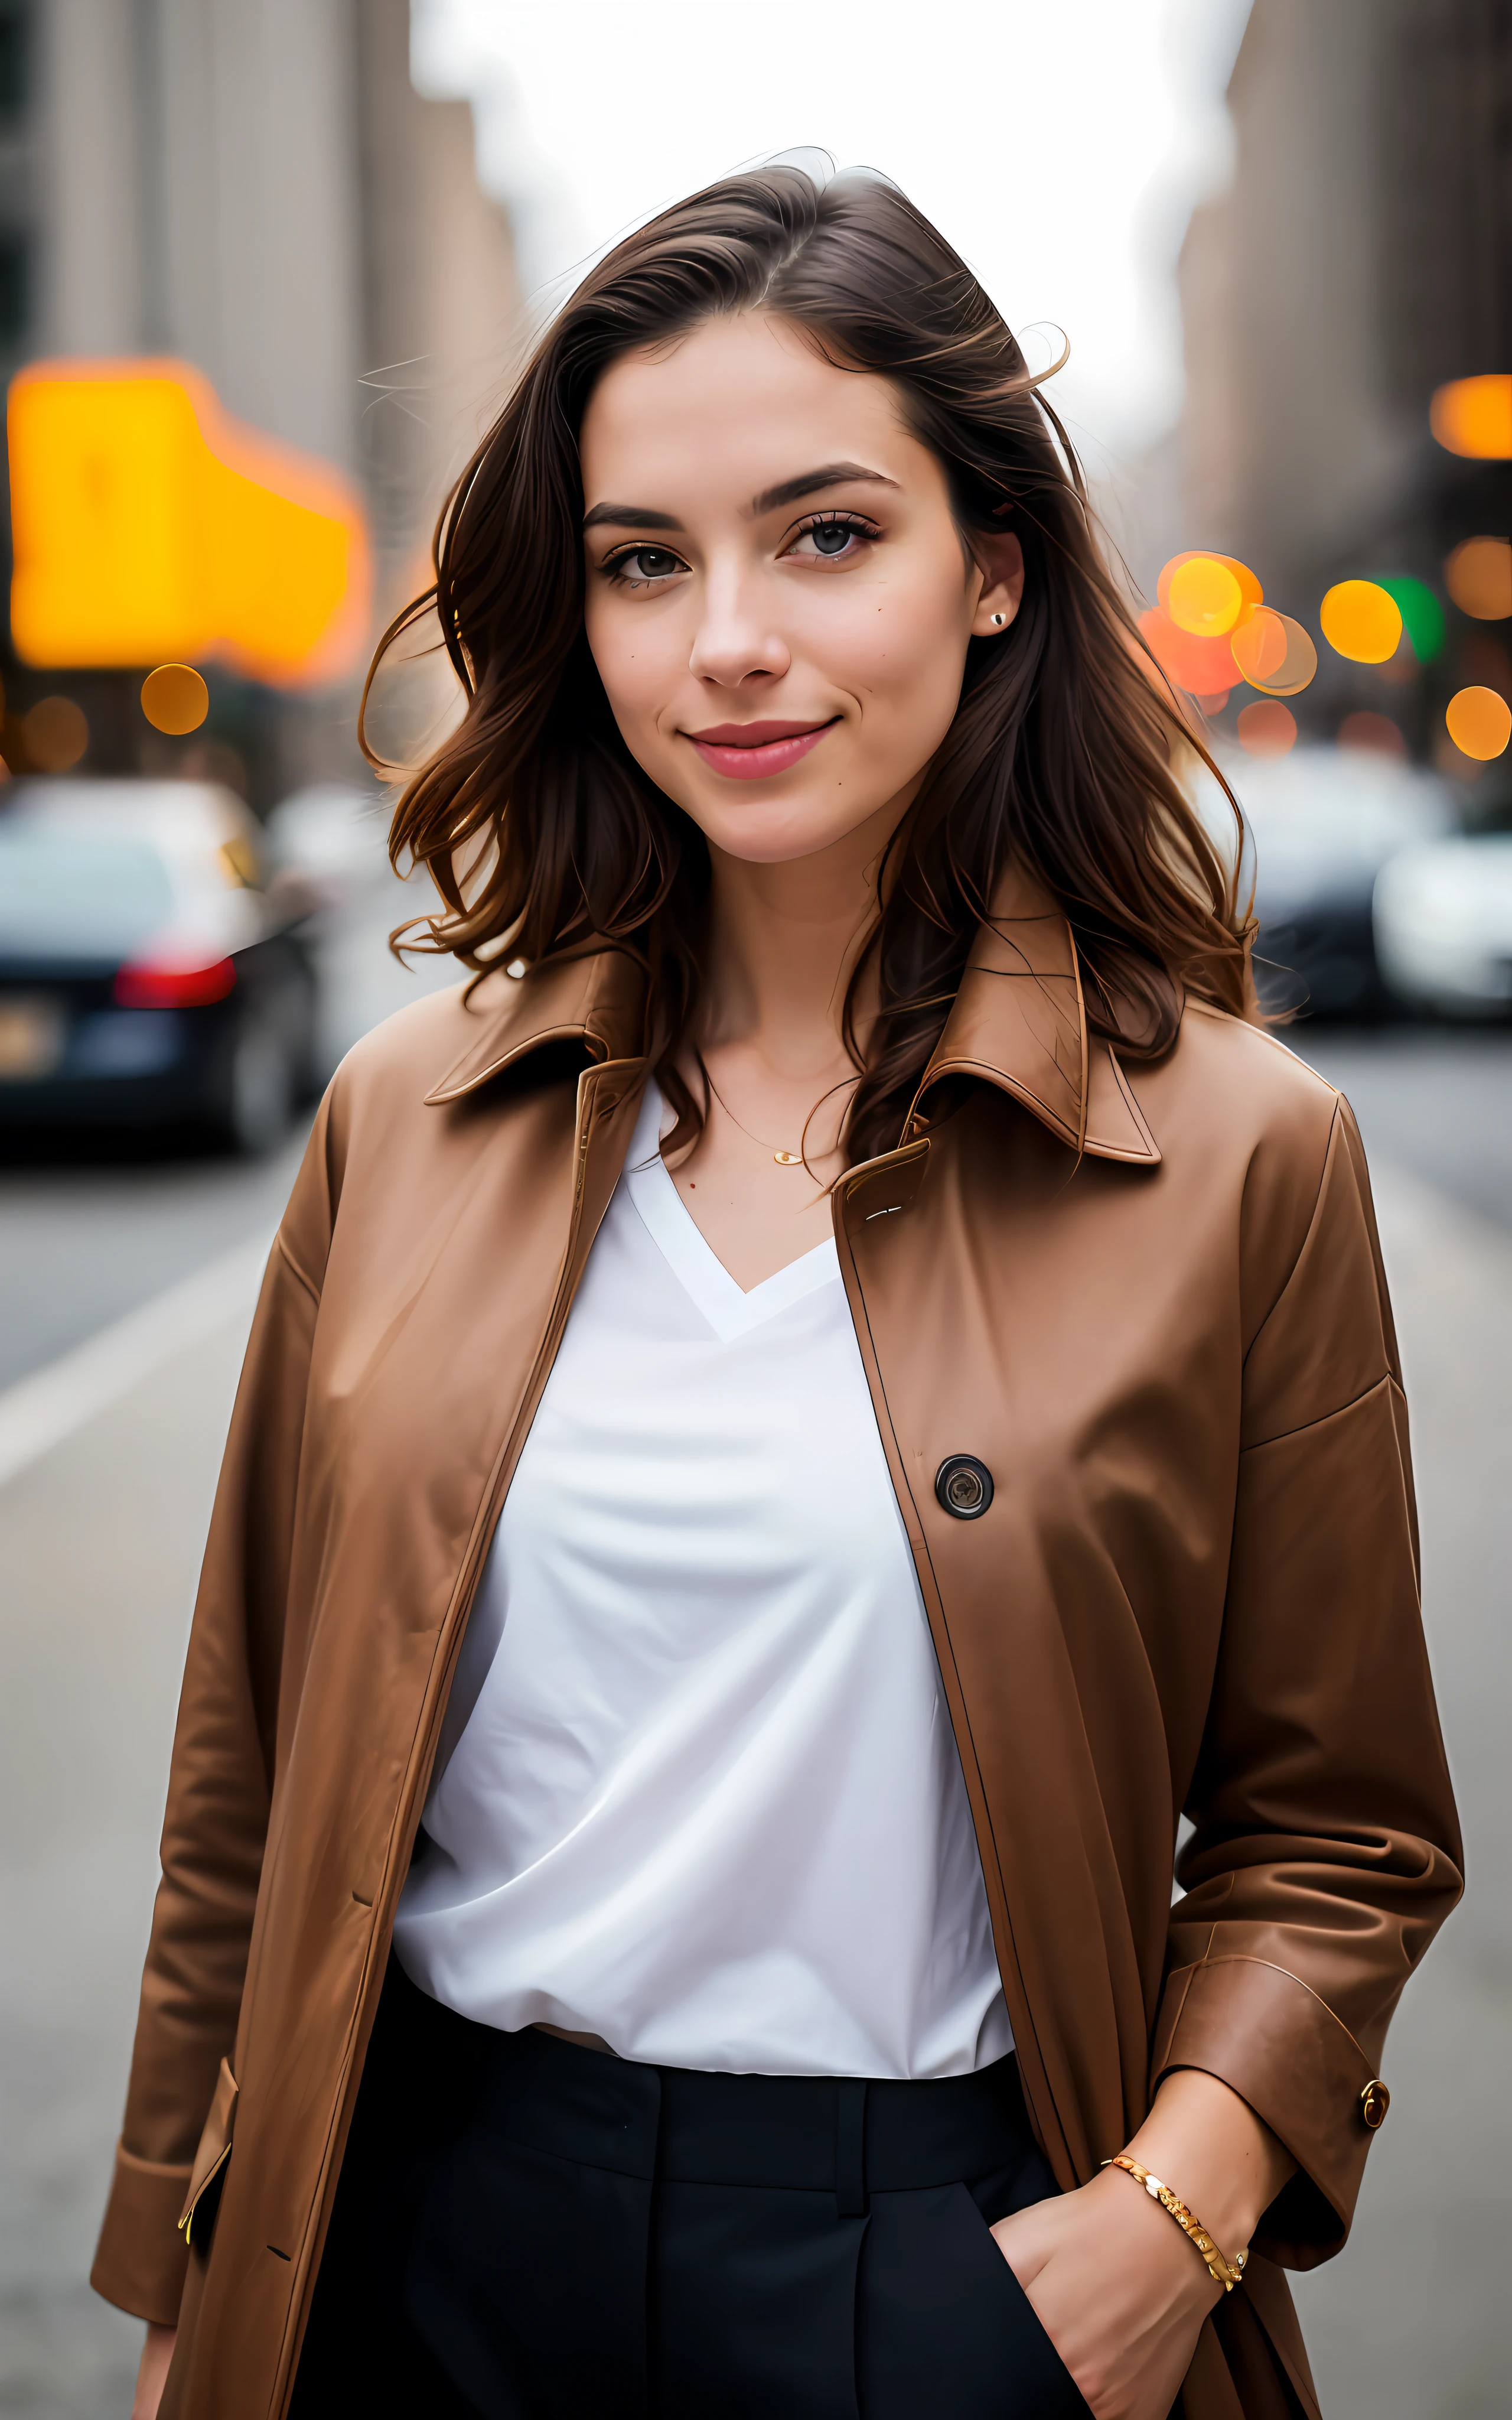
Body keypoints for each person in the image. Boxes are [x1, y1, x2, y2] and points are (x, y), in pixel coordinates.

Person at [99, 165, 1460, 2420]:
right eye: (646, 561)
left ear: (995, 565)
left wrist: (1170, 2228)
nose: (724, 636)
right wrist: (182, 2291)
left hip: (943, 2270)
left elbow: (1340, 1832)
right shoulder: (407, 1116)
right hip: (412, 2245)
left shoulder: (1232, 1156)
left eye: (825, 534)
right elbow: (245, 1766)